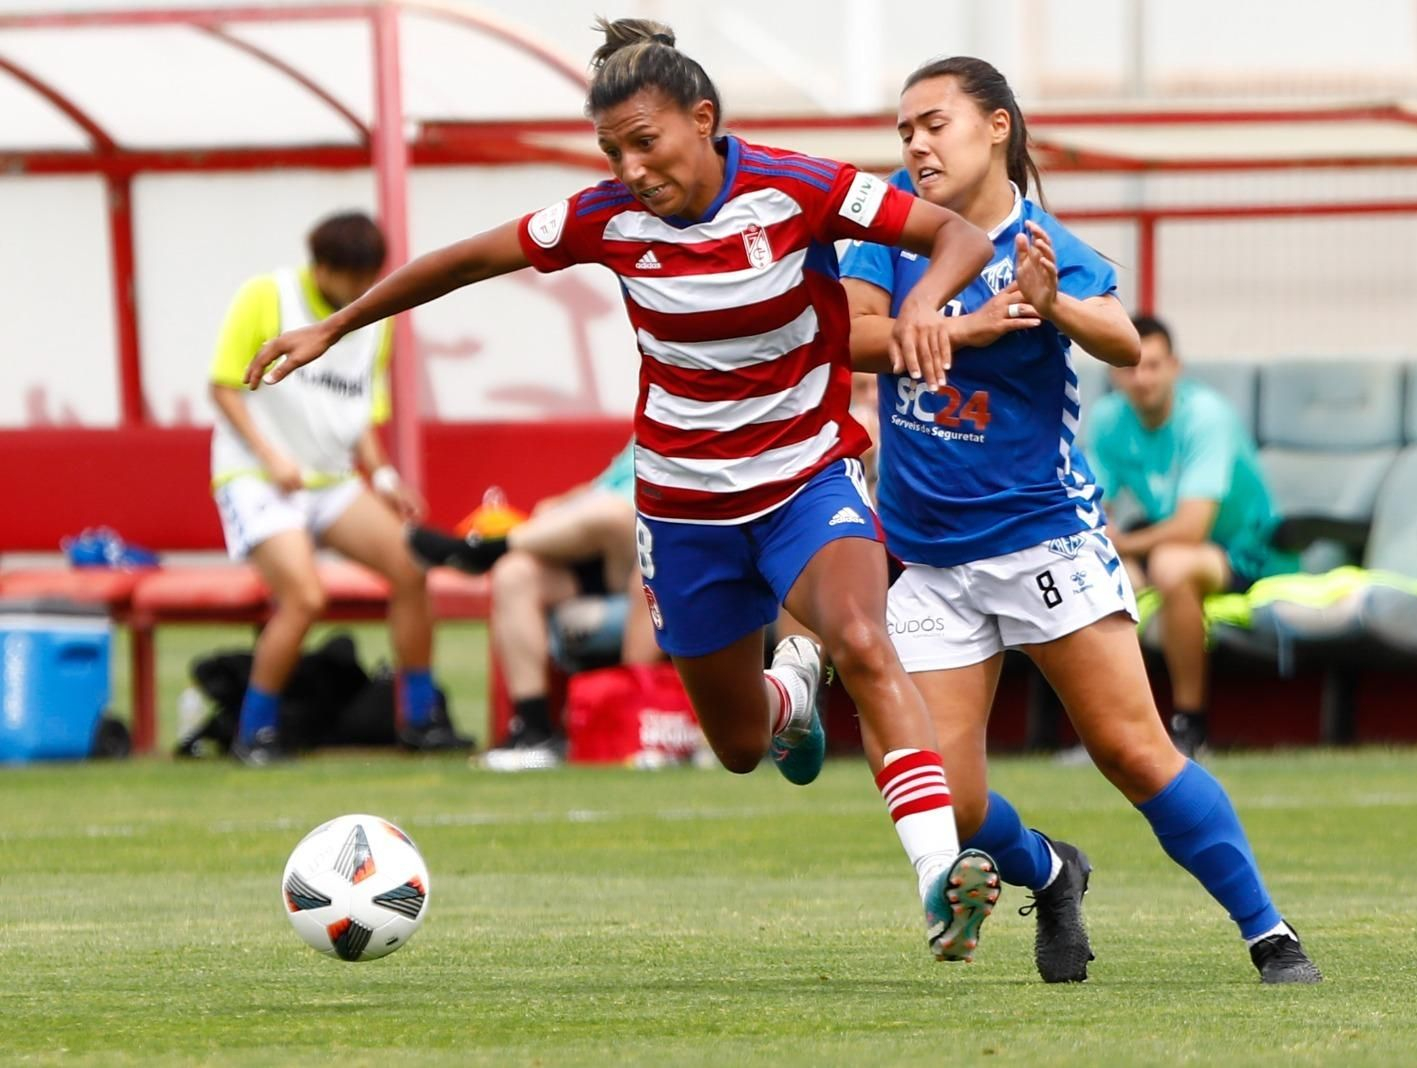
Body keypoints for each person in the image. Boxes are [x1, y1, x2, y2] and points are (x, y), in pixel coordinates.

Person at [245, 18, 1006, 961]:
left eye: (646, 142)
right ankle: (788, 696)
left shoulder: (800, 187)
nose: (632, 168)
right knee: (737, 744)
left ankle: (938, 882)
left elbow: (955, 234)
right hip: (683, 509)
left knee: (860, 637)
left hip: (808, 477)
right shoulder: (604, 217)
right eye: (613, 151)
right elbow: (466, 260)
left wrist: (923, 301)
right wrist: (336, 327)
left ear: (703, 118)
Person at [841, 56, 1320, 984]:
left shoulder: (1043, 244)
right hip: (931, 561)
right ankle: (1054, 873)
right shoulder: (886, 222)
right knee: (947, 800)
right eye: (905, 130)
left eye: (935, 124)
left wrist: (1049, 298)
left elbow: (1124, 341)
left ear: (997, 128)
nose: (916, 145)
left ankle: (1269, 933)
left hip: (1041, 542)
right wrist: (962, 328)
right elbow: (852, 334)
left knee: (1133, 753)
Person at [208, 211, 472, 765]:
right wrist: (271, 457)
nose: (360, 288)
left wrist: (384, 477)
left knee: (412, 569)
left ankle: (420, 720)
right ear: (321, 266)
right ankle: (254, 733)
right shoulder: (268, 296)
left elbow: (358, 414)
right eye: (351, 276)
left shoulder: (375, 318)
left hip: (331, 480)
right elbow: (224, 387)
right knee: (305, 596)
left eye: (368, 277)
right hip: (258, 479)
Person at [1084, 315, 1297, 757]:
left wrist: (1122, 544)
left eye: (1152, 365)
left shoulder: (1206, 417)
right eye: (1129, 367)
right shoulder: (1106, 419)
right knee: (1097, 571)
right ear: (1113, 373)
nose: (1142, 379)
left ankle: (1189, 728)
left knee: (1171, 564)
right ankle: (1112, 734)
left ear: (1175, 367)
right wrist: (1108, 547)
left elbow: (1191, 528)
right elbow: (1093, 509)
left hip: (1249, 553)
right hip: (1161, 542)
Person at [408, 439, 663, 771]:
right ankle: (534, 730)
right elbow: (603, 488)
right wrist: (563, 510)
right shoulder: (646, 427)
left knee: (615, 516)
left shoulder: (701, 426)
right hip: (603, 558)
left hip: (651, 559)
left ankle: (485, 550)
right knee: (513, 574)